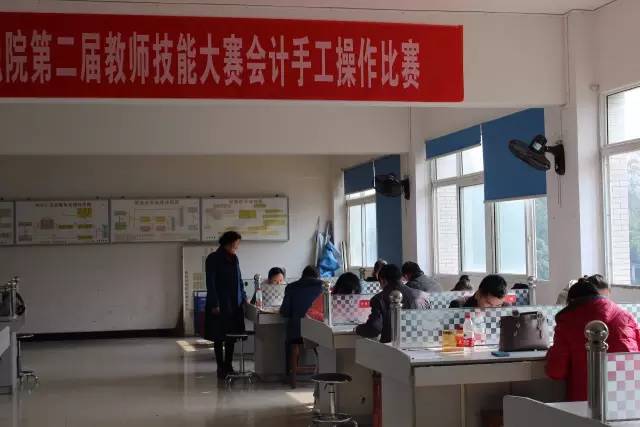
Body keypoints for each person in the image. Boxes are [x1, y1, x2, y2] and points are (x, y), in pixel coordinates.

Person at [546, 279, 640, 401]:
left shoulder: (568, 321)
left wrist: (550, 353)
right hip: (630, 396)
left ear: (571, 303)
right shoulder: (626, 316)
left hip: (588, 402)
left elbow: (556, 371)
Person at [204, 231, 247, 380]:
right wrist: (214, 303)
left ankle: (228, 365)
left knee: (231, 337)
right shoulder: (213, 258)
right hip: (220, 304)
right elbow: (210, 283)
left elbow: (239, 279)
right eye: (236, 243)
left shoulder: (234, 258)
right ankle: (220, 367)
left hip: (234, 305)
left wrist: (244, 297)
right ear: (228, 243)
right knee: (219, 337)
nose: (237, 246)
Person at [356, 264, 429, 343]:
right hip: (420, 345)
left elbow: (374, 329)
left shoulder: (379, 299)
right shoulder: (422, 295)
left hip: (391, 348)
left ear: (383, 281)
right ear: (401, 278)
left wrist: (357, 329)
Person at [280, 265, 324, 388]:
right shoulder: (323, 286)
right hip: (317, 331)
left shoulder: (291, 287)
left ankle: (291, 377)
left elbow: (285, 312)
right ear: (317, 276)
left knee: (290, 339)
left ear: (302, 275)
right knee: (319, 342)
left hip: (296, 332)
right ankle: (320, 371)